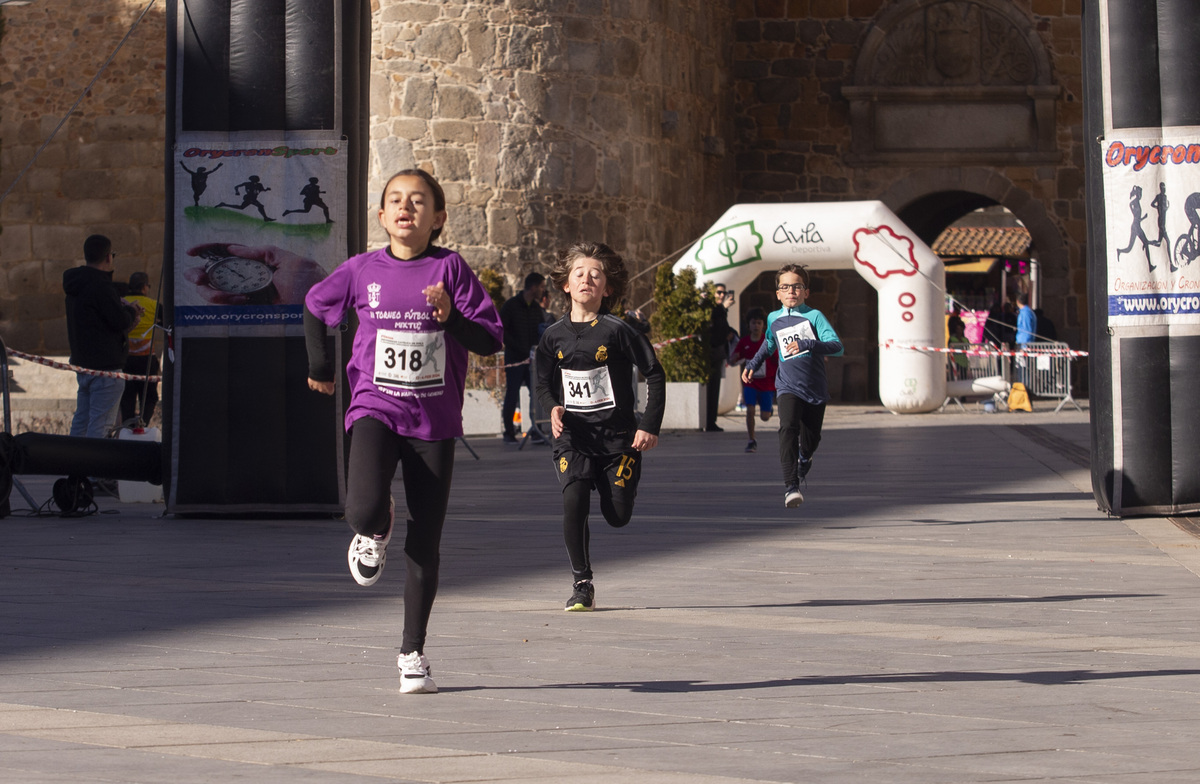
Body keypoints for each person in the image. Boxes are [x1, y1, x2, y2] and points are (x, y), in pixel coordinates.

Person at [304, 169, 503, 694]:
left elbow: (490, 339)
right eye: (395, 200)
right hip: (376, 404)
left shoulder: (451, 269)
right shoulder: (361, 268)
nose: (405, 208)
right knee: (360, 508)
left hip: (433, 422)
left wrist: (450, 317)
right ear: (381, 215)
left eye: (418, 201)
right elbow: (315, 305)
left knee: (427, 540)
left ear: (437, 218)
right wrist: (321, 365)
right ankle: (375, 524)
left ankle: (413, 653)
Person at [534, 242, 665, 612]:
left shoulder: (618, 331)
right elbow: (543, 381)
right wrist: (553, 407)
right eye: (579, 274)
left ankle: (621, 482)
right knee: (573, 499)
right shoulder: (552, 336)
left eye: (595, 275)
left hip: (618, 440)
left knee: (617, 516)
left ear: (607, 288)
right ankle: (582, 583)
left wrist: (649, 425)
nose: (586, 280)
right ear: (566, 284)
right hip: (573, 436)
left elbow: (654, 373)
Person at [742, 264, 843, 508]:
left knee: (811, 438)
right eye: (785, 287)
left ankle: (805, 456)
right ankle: (791, 486)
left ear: (806, 292)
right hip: (787, 386)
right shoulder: (773, 319)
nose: (791, 291)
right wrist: (753, 363)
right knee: (787, 428)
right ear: (778, 293)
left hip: (815, 389)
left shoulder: (814, 316)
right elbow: (769, 344)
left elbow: (836, 346)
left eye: (797, 286)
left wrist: (809, 343)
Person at [63, 234, 142, 439]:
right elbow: (119, 321)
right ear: (108, 257)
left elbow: (97, 322)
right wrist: (132, 311)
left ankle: (74, 468)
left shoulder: (75, 284)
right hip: (106, 370)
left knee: (81, 422)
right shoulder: (101, 286)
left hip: (84, 366)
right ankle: (92, 471)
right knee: (101, 427)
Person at [499, 272, 547, 444]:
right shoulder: (511, 306)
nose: (543, 290)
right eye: (541, 286)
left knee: (536, 394)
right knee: (512, 394)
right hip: (515, 358)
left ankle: (536, 431)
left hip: (532, 360)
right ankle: (509, 433)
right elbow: (502, 330)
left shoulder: (536, 309)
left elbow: (541, 331)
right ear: (533, 287)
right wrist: (518, 348)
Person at [727, 307, 776, 453]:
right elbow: (735, 357)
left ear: (763, 325)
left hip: (767, 384)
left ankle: (769, 410)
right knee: (750, 410)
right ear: (748, 325)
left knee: (765, 417)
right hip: (750, 383)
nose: (756, 326)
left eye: (759, 323)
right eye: (753, 323)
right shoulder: (744, 342)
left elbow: (778, 359)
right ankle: (751, 440)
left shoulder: (768, 342)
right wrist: (734, 358)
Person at [119, 271, 162, 427]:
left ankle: (126, 427)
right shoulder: (153, 305)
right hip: (146, 360)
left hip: (125, 359)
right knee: (149, 397)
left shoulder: (122, 303)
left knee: (127, 397)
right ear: (145, 287)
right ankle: (142, 425)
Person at [705, 282, 734, 431]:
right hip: (711, 353)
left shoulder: (721, 310)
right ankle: (708, 421)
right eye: (719, 292)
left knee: (715, 388)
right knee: (710, 389)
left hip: (719, 353)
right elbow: (712, 326)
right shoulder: (713, 309)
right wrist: (723, 308)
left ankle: (711, 421)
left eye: (724, 292)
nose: (722, 295)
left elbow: (722, 328)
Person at [1013, 292, 1037, 387]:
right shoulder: (1027, 312)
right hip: (1023, 344)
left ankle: (1025, 389)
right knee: (1022, 369)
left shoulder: (1026, 313)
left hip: (1024, 345)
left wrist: (1024, 346)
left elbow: (1027, 330)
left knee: (1023, 369)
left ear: (1017, 301)